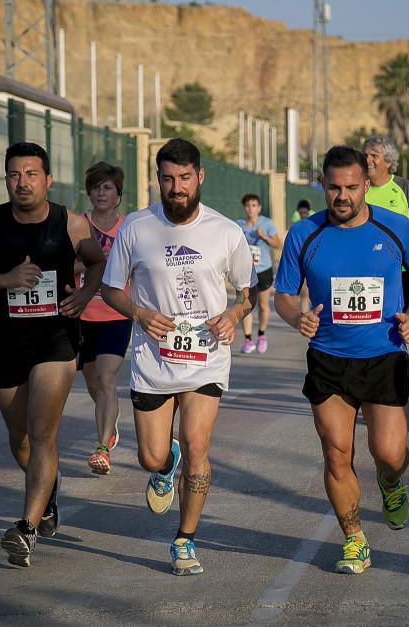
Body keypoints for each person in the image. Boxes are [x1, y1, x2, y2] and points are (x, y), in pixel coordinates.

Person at [274, 145, 409, 575]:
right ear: (323, 186)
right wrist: (297, 318)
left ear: (367, 184)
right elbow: (284, 296)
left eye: (350, 187)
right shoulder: (303, 234)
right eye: (333, 187)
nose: (341, 196)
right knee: (336, 453)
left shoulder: (397, 228)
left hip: (384, 354)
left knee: (389, 453)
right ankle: (354, 539)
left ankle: (391, 482)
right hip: (328, 358)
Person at [101, 138, 257, 576]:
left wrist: (234, 312)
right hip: (153, 360)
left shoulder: (225, 231)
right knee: (151, 458)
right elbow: (111, 288)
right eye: (168, 179)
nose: (177, 188)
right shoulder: (135, 227)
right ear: (158, 180)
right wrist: (138, 312)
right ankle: (163, 464)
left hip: (207, 357)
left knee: (199, 445)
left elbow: (249, 292)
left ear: (200, 177)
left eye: (185, 178)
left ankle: (185, 540)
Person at [0, 141, 105, 567]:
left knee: (42, 433)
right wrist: (6, 278)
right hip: (5, 340)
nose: (23, 182)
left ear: (48, 179)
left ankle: (26, 528)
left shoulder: (70, 223)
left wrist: (86, 294)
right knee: (18, 436)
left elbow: (96, 262)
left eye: (31, 174)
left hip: (55, 337)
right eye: (14, 175)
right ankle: (49, 493)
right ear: (6, 180)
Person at [76, 162, 134, 475]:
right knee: (94, 383)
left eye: (107, 187)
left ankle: (101, 449)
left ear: (117, 194)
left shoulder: (128, 228)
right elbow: (67, 265)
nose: (101, 192)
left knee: (106, 378)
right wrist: (92, 264)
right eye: (96, 187)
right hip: (82, 314)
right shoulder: (78, 225)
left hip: (115, 314)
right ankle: (109, 424)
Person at [362, 135, 409, 308]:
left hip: (398, 271)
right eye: (364, 155)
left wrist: (398, 240)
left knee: (397, 323)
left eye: (374, 155)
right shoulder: (356, 188)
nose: (368, 160)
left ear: (388, 162)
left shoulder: (404, 187)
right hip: (363, 267)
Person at [237, 193, 282, 354]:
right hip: (244, 271)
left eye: (254, 205)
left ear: (259, 207)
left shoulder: (267, 224)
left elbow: (278, 244)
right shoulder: (238, 225)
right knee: (245, 306)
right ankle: (248, 339)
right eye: (248, 205)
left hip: (263, 269)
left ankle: (261, 335)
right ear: (244, 207)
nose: (251, 208)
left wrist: (265, 237)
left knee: (263, 306)